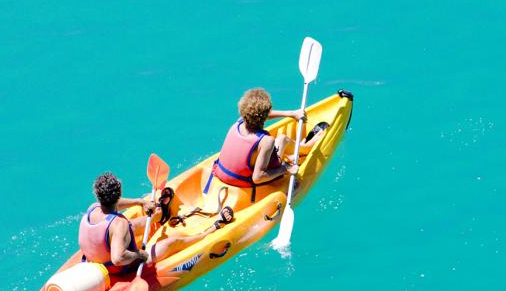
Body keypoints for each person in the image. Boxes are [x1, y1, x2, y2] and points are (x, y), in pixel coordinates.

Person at [79, 172, 231, 273]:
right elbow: (118, 259)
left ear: (98, 195)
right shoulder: (119, 225)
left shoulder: (93, 208)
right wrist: (139, 255)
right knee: (174, 242)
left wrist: (140, 202)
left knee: (135, 224)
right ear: (119, 192)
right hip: (121, 269)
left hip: (96, 261)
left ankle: (160, 216)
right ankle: (209, 231)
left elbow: (115, 205)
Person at [207, 88, 325, 200]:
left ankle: (292, 154)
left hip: (222, 175)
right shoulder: (266, 141)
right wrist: (286, 168)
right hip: (245, 183)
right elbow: (257, 178)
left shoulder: (238, 123)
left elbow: (257, 114)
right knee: (283, 139)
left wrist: (290, 113)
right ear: (264, 116)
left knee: (277, 143)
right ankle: (305, 148)